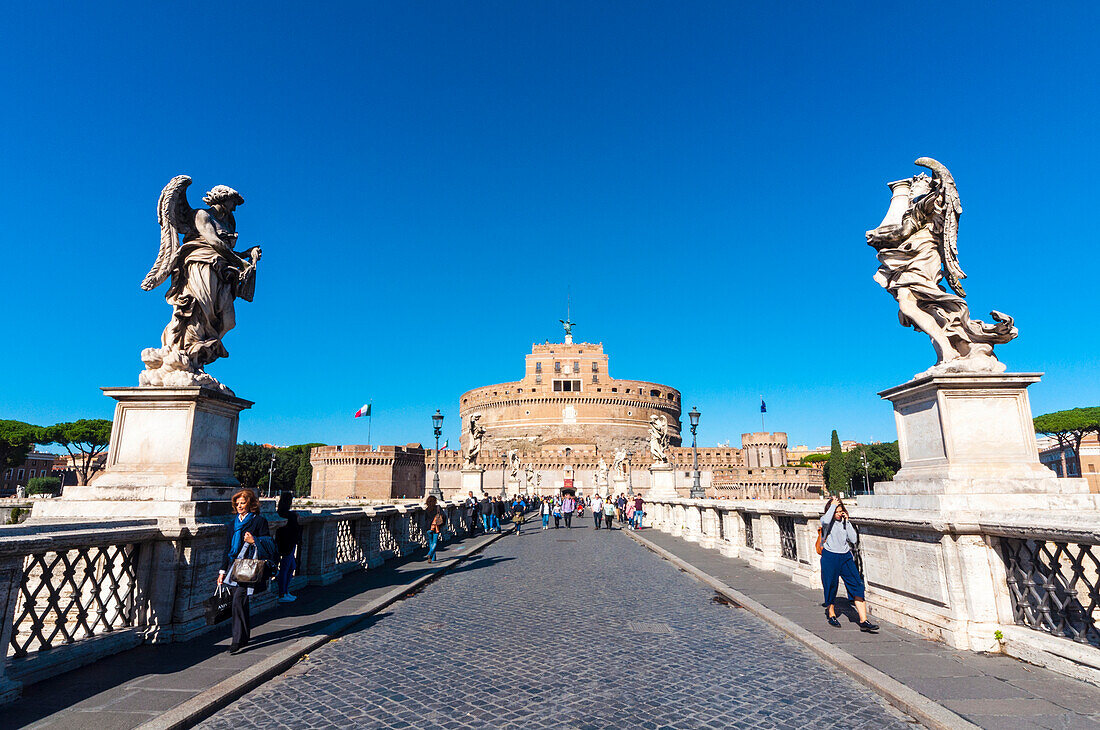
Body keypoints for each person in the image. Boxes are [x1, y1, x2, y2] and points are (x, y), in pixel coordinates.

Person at [217, 489, 272, 654]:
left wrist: (254, 540)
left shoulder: (259, 521)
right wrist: (222, 572)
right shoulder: (233, 523)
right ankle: (245, 635)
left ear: (251, 504)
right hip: (234, 567)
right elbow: (227, 548)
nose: (240, 506)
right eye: (237, 504)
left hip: (248, 567)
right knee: (240, 601)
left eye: (243, 503)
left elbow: (269, 543)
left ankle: (236, 640)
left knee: (237, 602)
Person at [820, 496, 879, 632]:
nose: (839, 513)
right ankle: (831, 613)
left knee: (857, 584)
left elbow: (853, 539)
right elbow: (825, 520)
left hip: (845, 556)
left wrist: (847, 522)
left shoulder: (844, 522)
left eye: (841, 511)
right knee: (831, 585)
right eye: (837, 511)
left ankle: (863, 620)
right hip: (830, 556)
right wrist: (833, 506)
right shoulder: (826, 521)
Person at [274, 492, 301, 603]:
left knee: (290, 567)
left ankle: (285, 591)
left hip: (283, 543)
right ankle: (282, 593)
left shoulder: (280, 513)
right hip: (288, 544)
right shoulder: (291, 516)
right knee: (287, 568)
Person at [424, 495, 445, 562]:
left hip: (428, 528)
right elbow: (444, 516)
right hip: (436, 527)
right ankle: (430, 554)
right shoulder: (438, 508)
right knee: (435, 542)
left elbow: (425, 519)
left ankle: (433, 558)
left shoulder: (427, 509)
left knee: (430, 542)